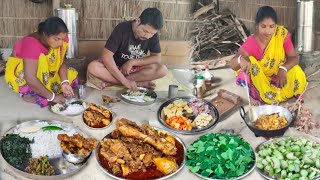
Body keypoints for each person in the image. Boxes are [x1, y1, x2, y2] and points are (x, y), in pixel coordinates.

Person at [229, 6, 307, 105]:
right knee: (250, 63)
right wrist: (241, 60)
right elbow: (232, 64)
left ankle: (282, 92)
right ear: (257, 25)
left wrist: (283, 69)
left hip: (278, 73)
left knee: (297, 71)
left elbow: (293, 58)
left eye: (271, 26)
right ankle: (259, 94)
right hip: (260, 79)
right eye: (263, 26)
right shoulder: (251, 43)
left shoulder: (281, 34)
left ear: (276, 26)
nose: (268, 31)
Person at [5, 17, 78, 107]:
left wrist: (65, 82)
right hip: (23, 73)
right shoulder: (31, 44)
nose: (60, 43)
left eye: (62, 39)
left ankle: (46, 90)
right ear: (45, 34)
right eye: (56, 39)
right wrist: (53, 97)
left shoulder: (60, 41)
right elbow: (31, 78)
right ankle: (29, 93)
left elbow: (60, 63)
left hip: (45, 73)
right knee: (42, 61)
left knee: (70, 76)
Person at [87, 7, 167, 90]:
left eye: (152, 33)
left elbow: (157, 58)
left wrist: (132, 62)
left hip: (134, 70)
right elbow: (106, 56)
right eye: (145, 31)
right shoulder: (122, 29)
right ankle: (138, 83)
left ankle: (112, 82)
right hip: (115, 68)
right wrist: (124, 81)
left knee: (162, 70)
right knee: (93, 67)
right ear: (138, 21)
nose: (147, 36)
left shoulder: (153, 35)